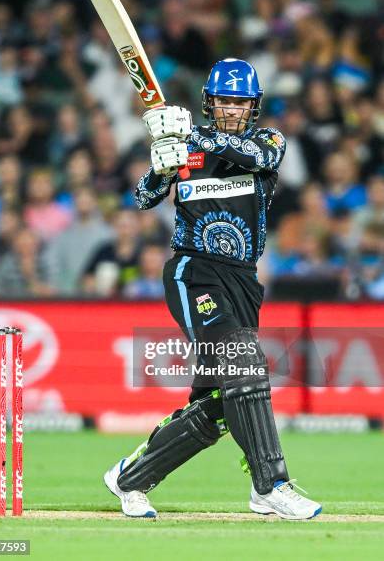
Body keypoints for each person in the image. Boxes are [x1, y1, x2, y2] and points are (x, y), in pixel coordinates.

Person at [103, 58, 321, 520]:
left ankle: (129, 479)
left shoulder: (269, 141)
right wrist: (162, 165)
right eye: (224, 100)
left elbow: (258, 159)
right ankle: (271, 485)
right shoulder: (184, 150)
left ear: (254, 106)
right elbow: (143, 198)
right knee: (245, 366)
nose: (231, 109)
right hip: (193, 272)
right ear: (210, 101)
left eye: (240, 101)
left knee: (220, 403)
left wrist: (189, 136)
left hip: (243, 281)